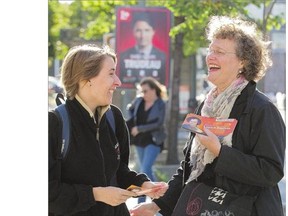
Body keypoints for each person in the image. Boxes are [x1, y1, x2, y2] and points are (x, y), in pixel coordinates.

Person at [130, 15, 286, 216]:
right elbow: (189, 167)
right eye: (210, 50)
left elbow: (270, 172)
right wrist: (156, 206)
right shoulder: (205, 106)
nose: (210, 56)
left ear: (243, 62)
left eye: (219, 51)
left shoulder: (262, 109)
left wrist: (220, 152)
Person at [48, 44, 168, 216]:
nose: (118, 82)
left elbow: (119, 172)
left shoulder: (114, 118)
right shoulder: (53, 123)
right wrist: (96, 194)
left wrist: (143, 185)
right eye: (111, 73)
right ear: (85, 79)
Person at [126, 76, 168, 203]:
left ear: (153, 90)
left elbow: (159, 123)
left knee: (144, 169)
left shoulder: (161, 103)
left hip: (154, 140)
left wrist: (140, 128)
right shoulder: (139, 101)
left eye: (145, 91)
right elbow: (130, 109)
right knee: (147, 171)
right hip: (140, 140)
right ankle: (161, 197)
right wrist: (133, 122)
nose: (142, 94)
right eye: (141, 91)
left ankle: (141, 202)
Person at [119, 13, 166, 85]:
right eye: (138, 30)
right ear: (133, 32)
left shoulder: (163, 57)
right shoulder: (123, 56)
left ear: (153, 32)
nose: (142, 36)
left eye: (146, 30)